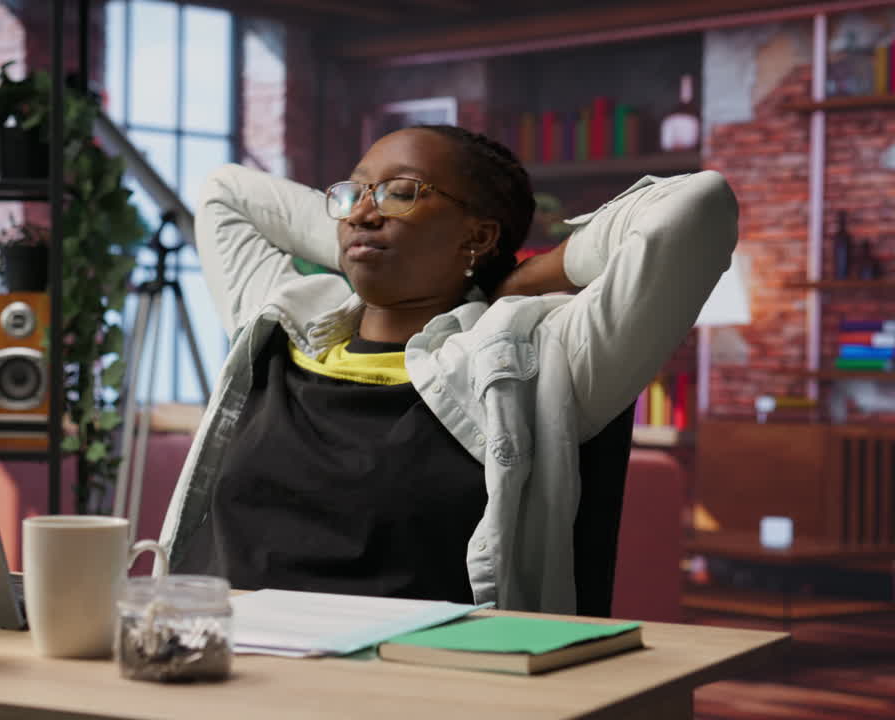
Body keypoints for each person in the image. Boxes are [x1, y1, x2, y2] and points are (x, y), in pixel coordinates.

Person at [158, 125, 738, 614]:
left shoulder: (534, 355)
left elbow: (697, 207)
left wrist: (519, 277)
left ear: (479, 234)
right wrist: (362, 231)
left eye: (400, 192)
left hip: (429, 688)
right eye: (354, 193)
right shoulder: (284, 319)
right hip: (239, 677)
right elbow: (224, 194)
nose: (361, 210)